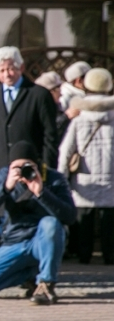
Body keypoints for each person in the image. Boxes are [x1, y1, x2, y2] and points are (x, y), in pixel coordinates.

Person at [0, 141, 76, 304]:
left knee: (51, 223)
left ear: (37, 164)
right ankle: (29, 274)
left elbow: (70, 216)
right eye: (17, 167)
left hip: (42, 242)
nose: (23, 172)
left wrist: (41, 192)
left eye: (28, 166)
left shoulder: (53, 178)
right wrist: (5, 187)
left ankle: (46, 284)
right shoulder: (5, 175)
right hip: (14, 242)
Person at [0, 46, 58, 191]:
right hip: (1, 170)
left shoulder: (38, 95)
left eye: (11, 69)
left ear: (21, 68)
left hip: (31, 170)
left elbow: (50, 135)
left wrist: (47, 169)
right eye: (1, 71)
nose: (7, 74)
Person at [58, 68, 114, 265]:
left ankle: (84, 255)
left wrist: (62, 176)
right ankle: (109, 255)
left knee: (84, 219)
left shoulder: (79, 118)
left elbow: (66, 150)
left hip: (83, 175)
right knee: (109, 219)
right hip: (111, 175)